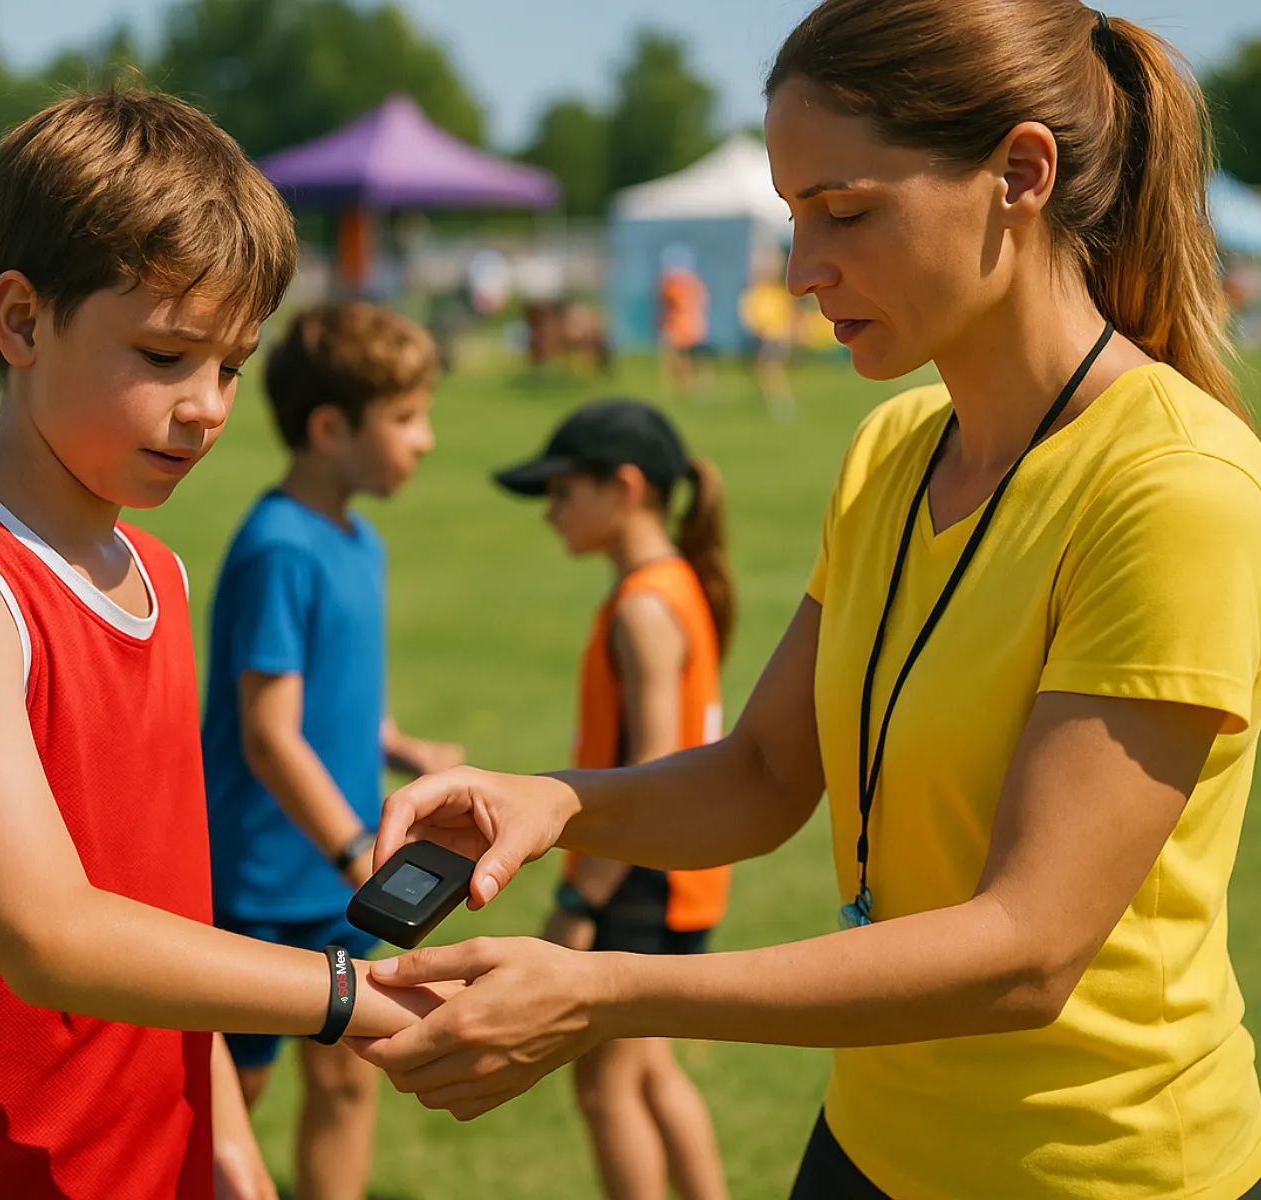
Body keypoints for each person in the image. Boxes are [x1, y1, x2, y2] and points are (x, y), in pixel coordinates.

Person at [358, 4, 1261, 1199]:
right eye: (793, 217)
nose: (799, 271)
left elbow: (1026, 952)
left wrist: (604, 992)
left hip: (1101, 1175)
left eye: (845, 212)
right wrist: (550, 803)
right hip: (865, 1149)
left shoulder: (1175, 488)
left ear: (1020, 176)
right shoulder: (891, 450)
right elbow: (764, 776)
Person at [0, 90, 444, 1200]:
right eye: (164, 354)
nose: (205, 408)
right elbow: (45, 934)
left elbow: (159, 907)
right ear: (19, 322)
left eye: (232, 366)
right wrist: (346, 994)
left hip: (144, 1158)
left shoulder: (160, 575)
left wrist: (231, 1145)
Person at [203, 301, 465, 1200]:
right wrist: (359, 851)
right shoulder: (279, 546)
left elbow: (336, 691)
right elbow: (270, 735)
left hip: (345, 881)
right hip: (263, 884)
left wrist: (399, 744)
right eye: (404, 419)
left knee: (353, 1075)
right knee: (228, 1092)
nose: (425, 439)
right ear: (328, 427)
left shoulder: (360, 538)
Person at [492, 398, 733, 1200]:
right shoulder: (675, 584)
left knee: (606, 1086)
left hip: (636, 881)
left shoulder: (642, 609)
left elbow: (650, 774)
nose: (552, 513)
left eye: (563, 492)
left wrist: (577, 898)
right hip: (678, 877)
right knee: (652, 1067)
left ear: (624, 488)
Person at [738, 254, 799, 419]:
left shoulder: (774, 293)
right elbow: (751, 316)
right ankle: (773, 399)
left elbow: (787, 315)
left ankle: (780, 401)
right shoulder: (758, 293)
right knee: (766, 370)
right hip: (767, 337)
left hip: (775, 337)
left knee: (771, 370)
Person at [657, 246, 709, 395]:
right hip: (691, 325)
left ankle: (683, 386)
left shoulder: (673, 286)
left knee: (682, 357)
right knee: (690, 358)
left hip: (680, 325)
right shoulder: (694, 283)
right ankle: (689, 386)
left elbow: (669, 304)